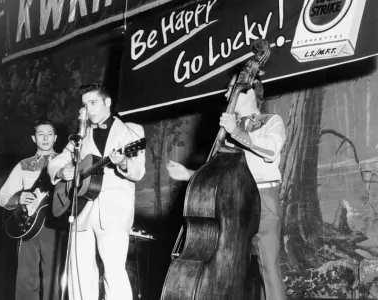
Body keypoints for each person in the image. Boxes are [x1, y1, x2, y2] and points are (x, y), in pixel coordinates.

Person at [167, 75, 286, 300]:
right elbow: (219, 174)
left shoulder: (271, 121)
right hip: (233, 202)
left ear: (249, 92)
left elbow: (271, 151)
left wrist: (237, 132)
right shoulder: (226, 130)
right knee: (230, 269)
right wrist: (190, 175)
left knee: (268, 269)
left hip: (263, 197)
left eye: (231, 89)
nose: (225, 95)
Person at [47, 83, 146, 300]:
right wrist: (62, 170)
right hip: (80, 209)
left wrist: (123, 163)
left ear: (107, 102)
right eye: (85, 104)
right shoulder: (80, 136)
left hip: (114, 212)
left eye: (93, 103)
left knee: (114, 271)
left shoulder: (132, 130)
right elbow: (55, 163)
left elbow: (138, 172)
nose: (88, 110)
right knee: (78, 274)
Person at [0, 120, 62, 300]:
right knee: (26, 277)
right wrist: (18, 198)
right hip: (28, 225)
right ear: (34, 138)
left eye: (49, 134)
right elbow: (1, 197)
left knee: (54, 277)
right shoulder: (23, 165)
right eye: (41, 134)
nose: (45, 138)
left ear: (56, 137)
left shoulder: (66, 162)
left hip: (56, 224)